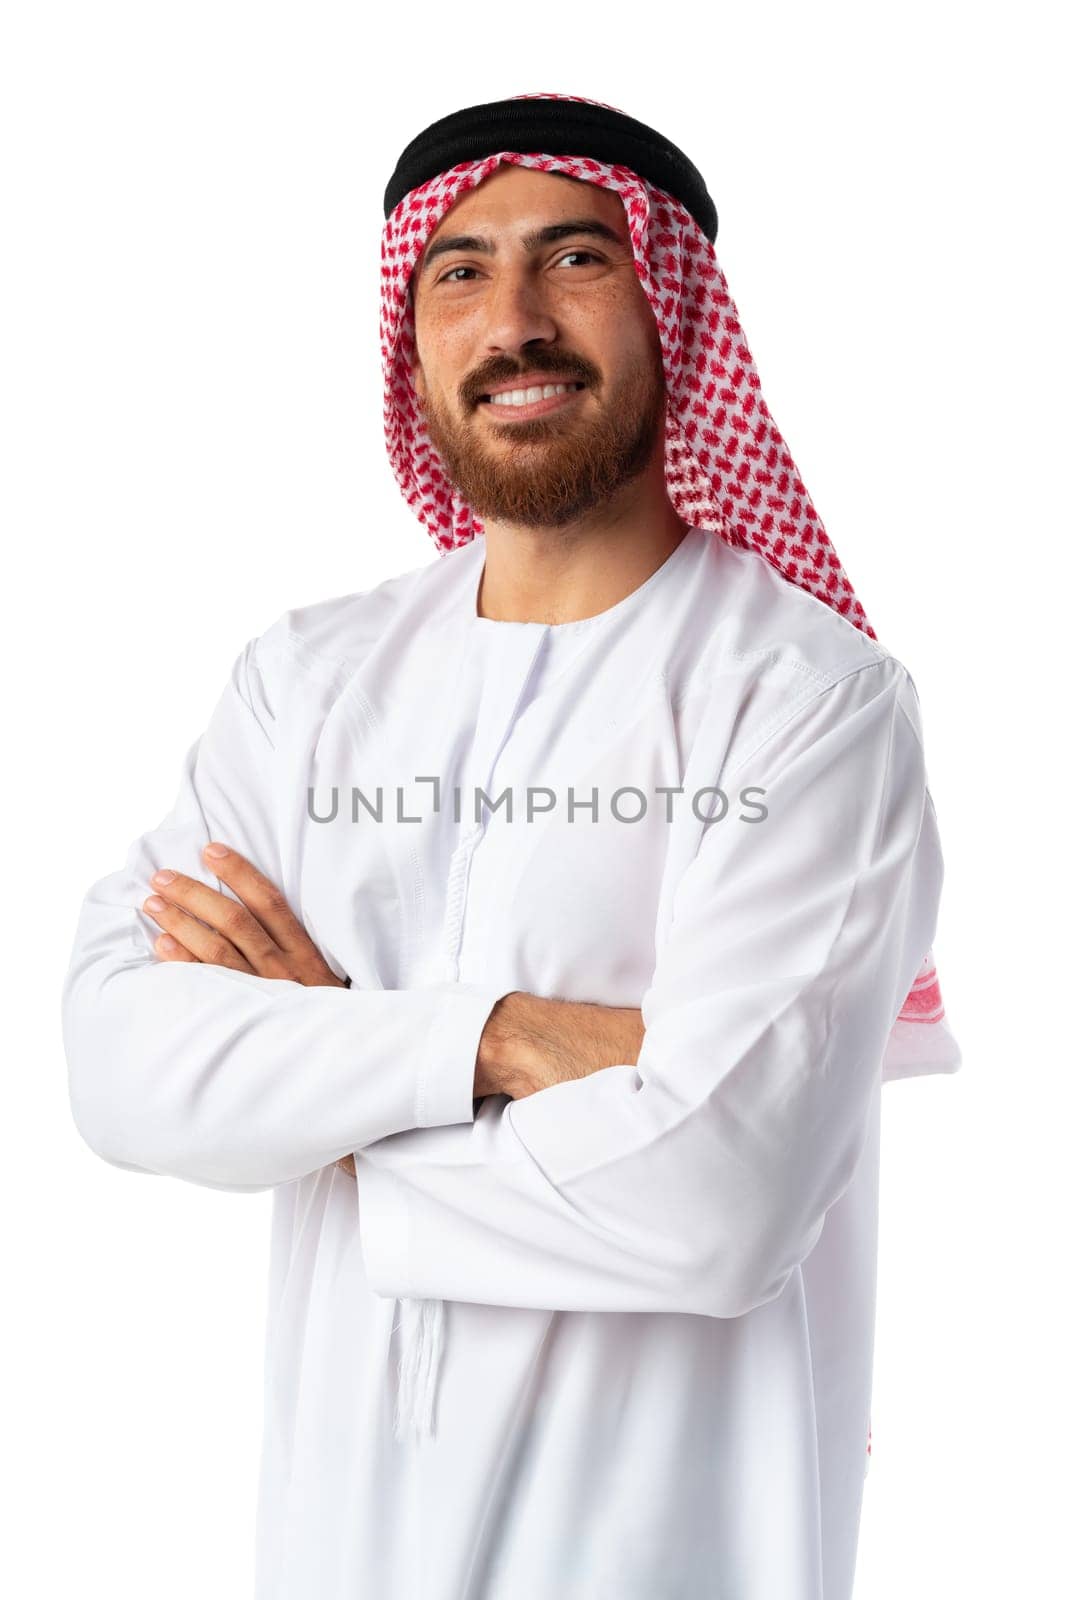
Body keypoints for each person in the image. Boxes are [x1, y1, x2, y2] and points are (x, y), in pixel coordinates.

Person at [61, 92, 961, 1600]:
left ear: (675, 308)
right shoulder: (308, 684)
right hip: (337, 1551)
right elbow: (119, 1063)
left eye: (576, 260)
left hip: (662, 1555)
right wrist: (505, 1043)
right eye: (460, 272)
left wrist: (322, 1090)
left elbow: (720, 1199)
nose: (516, 322)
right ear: (413, 335)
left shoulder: (810, 705)